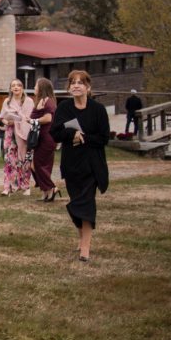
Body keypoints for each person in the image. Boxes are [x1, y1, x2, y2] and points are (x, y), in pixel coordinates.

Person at [51, 70, 109, 262]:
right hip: (72, 163)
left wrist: (84, 137)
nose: (76, 86)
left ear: (88, 87)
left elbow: (104, 138)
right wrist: (71, 134)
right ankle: (82, 237)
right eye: (72, 83)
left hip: (92, 164)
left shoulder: (98, 110)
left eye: (80, 83)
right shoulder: (64, 108)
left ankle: (85, 248)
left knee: (87, 203)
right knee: (76, 204)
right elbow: (55, 132)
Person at [0, 79, 35, 196]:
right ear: (10, 89)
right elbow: (2, 117)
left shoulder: (29, 101)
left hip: (24, 134)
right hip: (10, 133)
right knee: (10, 161)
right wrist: (7, 122)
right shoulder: (7, 101)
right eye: (13, 85)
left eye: (18, 85)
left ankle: (25, 186)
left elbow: (30, 118)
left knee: (24, 160)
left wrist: (19, 119)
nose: (16, 87)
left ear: (22, 88)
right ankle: (7, 187)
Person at [31, 77, 60, 202]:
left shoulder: (49, 101)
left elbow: (48, 118)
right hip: (39, 137)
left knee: (38, 165)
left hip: (47, 137)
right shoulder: (40, 101)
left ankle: (51, 188)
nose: (34, 88)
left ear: (42, 87)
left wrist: (33, 120)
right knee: (35, 165)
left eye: (36, 86)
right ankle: (46, 191)